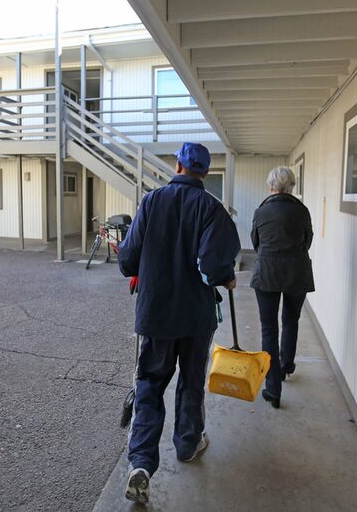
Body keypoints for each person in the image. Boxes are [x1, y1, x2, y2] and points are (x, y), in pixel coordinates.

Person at [118, 142, 241, 505]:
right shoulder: (212, 209)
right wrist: (227, 278)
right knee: (190, 382)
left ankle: (141, 463)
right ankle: (188, 445)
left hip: (155, 315)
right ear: (205, 171)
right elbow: (216, 266)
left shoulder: (152, 202)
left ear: (178, 166)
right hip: (195, 318)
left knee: (149, 386)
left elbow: (128, 260)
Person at [250, 166, 314, 409]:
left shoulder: (262, 211)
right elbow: (307, 241)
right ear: (291, 186)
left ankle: (273, 389)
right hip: (297, 272)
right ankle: (287, 366)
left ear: (271, 186)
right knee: (291, 320)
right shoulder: (302, 211)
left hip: (267, 273)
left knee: (269, 329)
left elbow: (255, 243)